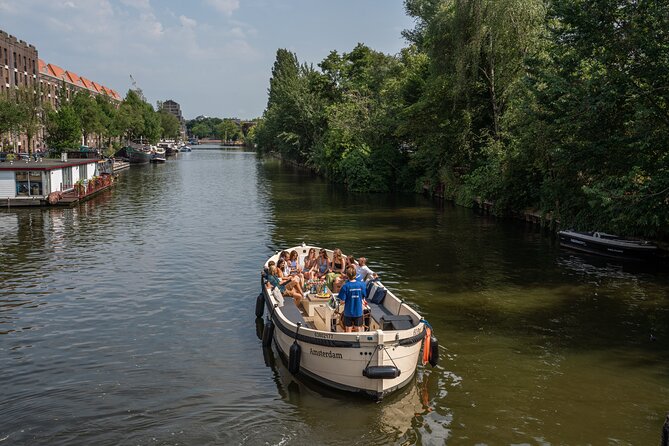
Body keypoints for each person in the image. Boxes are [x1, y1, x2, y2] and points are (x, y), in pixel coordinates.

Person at [338, 265, 367, 332]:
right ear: (355, 274)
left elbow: (342, 301)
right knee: (358, 329)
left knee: (348, 329)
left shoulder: (345, 286)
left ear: (347, 276)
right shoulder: (361, 285)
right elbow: (363, 296)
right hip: (358, 312)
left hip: (348, 312)